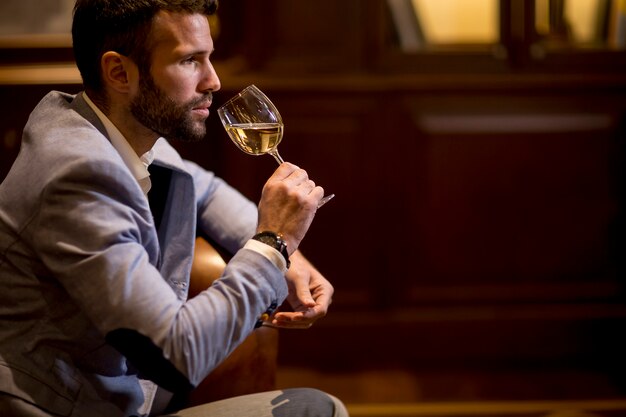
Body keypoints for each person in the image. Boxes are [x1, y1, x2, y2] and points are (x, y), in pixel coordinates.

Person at [0, 1, 349, 416]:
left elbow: (205, 189)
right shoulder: (77, 177)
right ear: (119, 72)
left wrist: (291, 262)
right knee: (317, 408)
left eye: (209, 58)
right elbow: (177, 355)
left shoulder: (113, 126)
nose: (214, 81)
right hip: (72, 407)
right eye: (189, 61)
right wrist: (274, 243)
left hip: (132, 392)